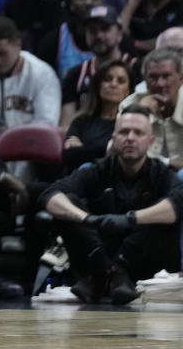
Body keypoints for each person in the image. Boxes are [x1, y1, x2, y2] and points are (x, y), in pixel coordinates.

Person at [42, 105, 183, 304]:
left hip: (142, 265)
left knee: (162, 210)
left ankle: (110, 274)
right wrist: (87, 219)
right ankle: (111, 273)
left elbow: (178, 203)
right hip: (98, 257)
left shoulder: (160, 173)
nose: (130, 138)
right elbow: (50, 196)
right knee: (68, 204)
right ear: (114, 138)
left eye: (138, 133)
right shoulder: (98, 170)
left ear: (150, 141)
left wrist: (130, 219)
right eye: (124, 132)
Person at [63, 60, 134, 172]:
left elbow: (121, 155)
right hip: (72, 180)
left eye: (120, 81)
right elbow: (68, 155)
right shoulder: (81, 120)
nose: (113, 84)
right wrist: (107, 149)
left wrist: (82, 149)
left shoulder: (130, 124)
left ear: (128, 91)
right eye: (107, 79)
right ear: (98, 85)